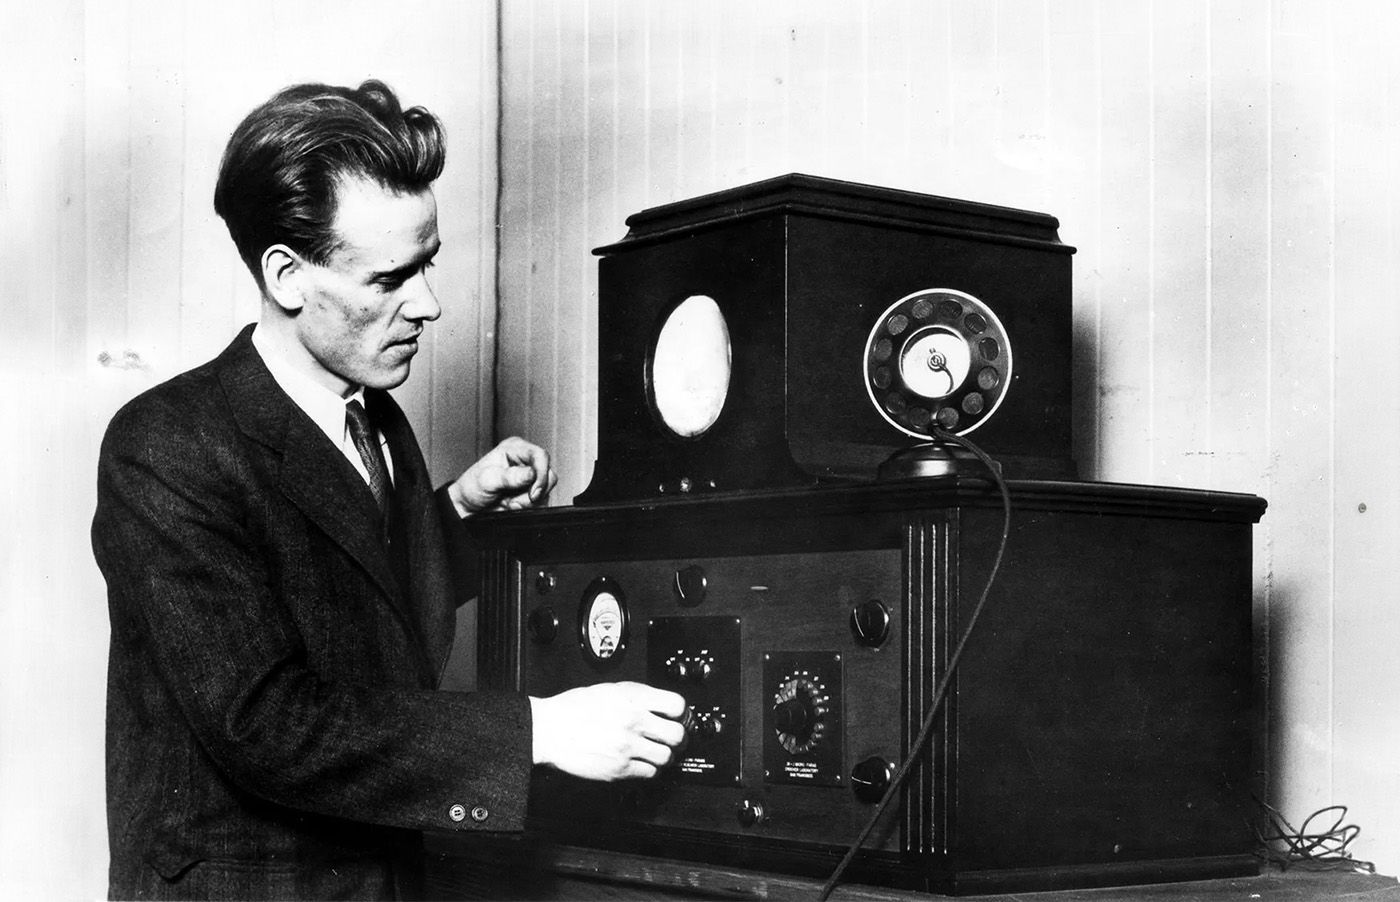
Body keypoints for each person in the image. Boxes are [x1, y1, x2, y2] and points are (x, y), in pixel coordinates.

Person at [91, 79, 687, 901]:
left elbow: (353, 593)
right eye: (389, 279)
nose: (429, 306)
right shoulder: (167, 444)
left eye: (429, 266)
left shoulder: (374, 418)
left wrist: (456, 513)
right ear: (288, 275)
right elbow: (264, 723)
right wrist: (540, 730)